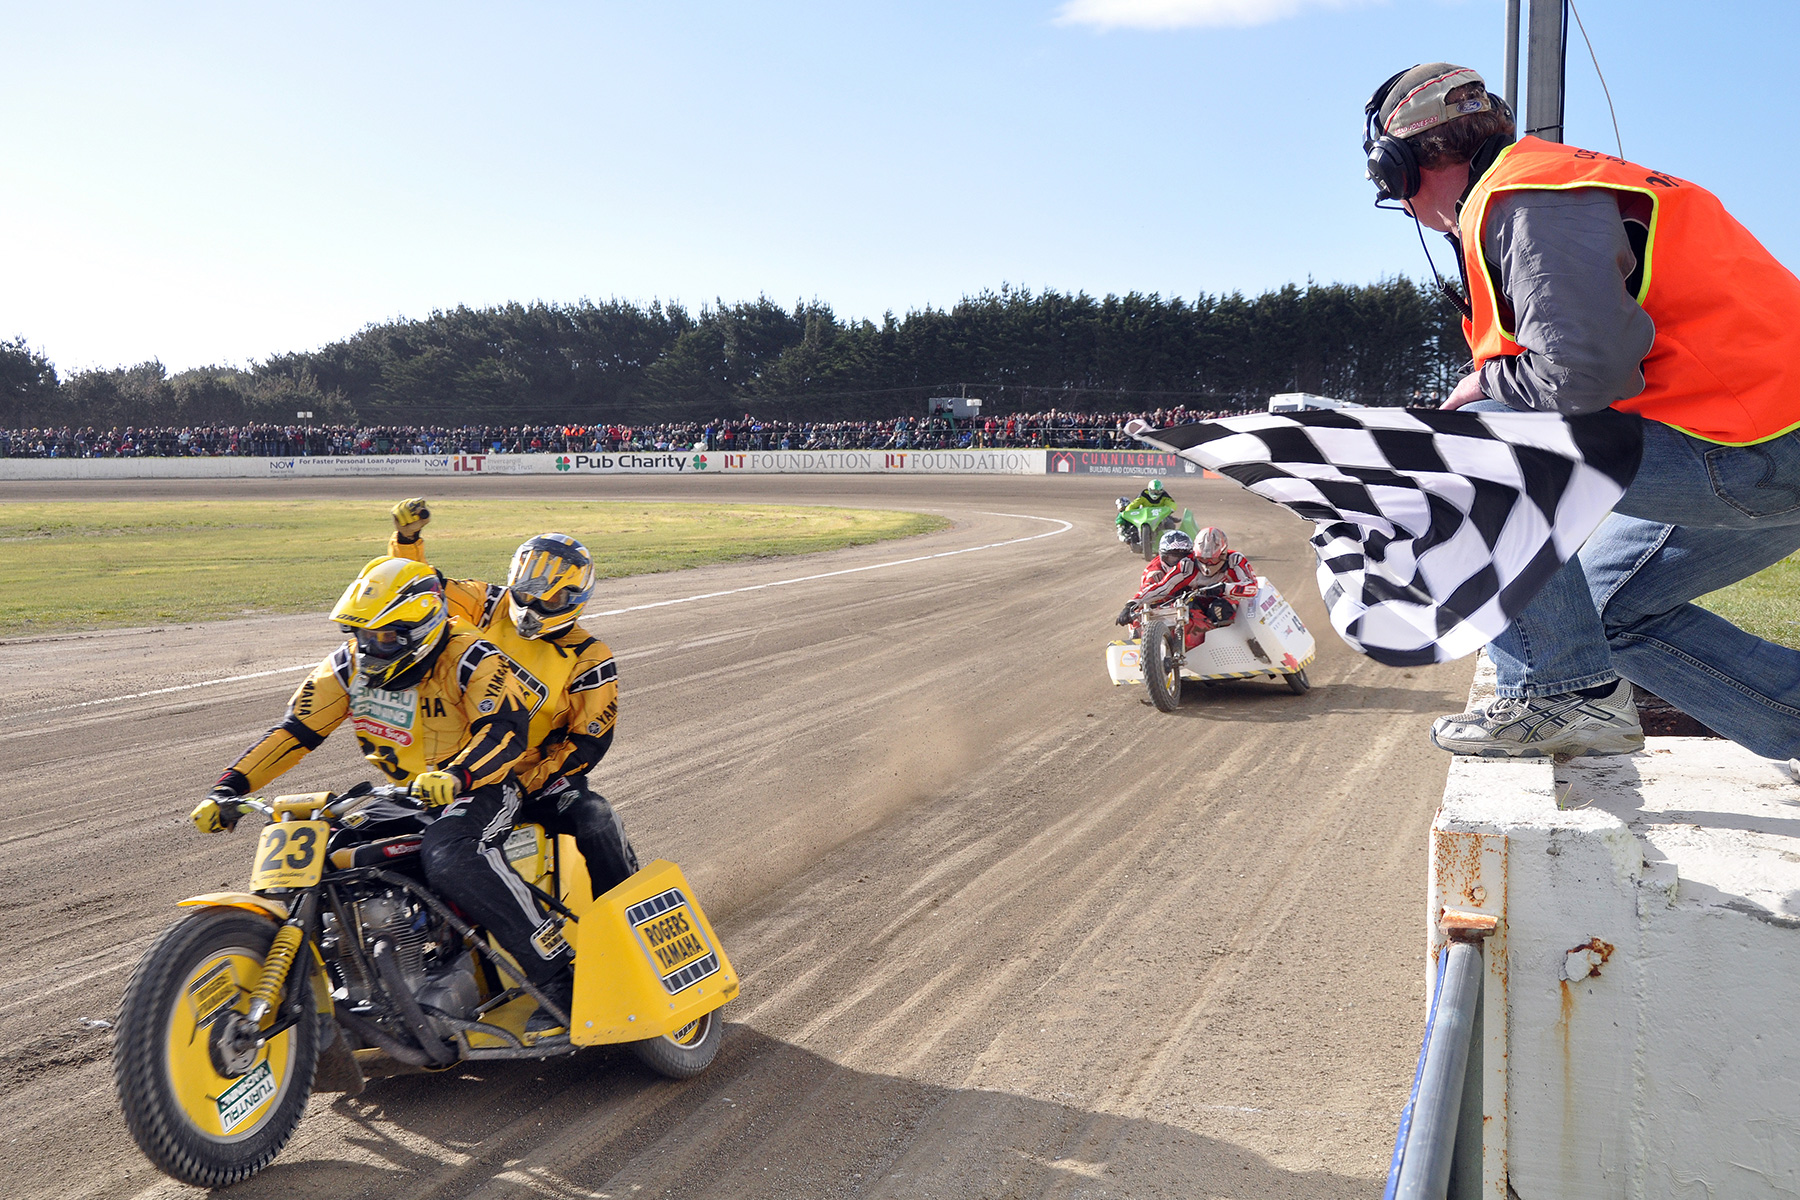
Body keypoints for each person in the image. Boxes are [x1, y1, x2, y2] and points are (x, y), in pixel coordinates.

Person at [1363, 63, 1800, 760]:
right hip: (1755, 437)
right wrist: (1499, 381)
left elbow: (1576, 379)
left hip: (1756, 452)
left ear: (1402, 168)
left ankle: (1558, 695)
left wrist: (1492, 383)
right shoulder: (1558, 182)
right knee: (1603, 612)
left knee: (1453, 447)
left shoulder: (1526, 199)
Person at [189, 556, 579, 1022]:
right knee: (326, 849)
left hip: (485, 787)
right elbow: (295, 731)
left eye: (384, 636)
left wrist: (458, 775)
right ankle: (351, 982)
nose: (369, 647)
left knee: (450, 852)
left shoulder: (472, 656)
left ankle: (557, 974)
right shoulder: (349, 664)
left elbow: (505, 732)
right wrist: (229, 787)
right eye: (362, 635)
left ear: (424, 628)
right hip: (407, 793)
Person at [387, 499, 638, 899]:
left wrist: (529, 778)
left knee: (596, 817)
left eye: (551, 601)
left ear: (576, 599)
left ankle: (628, 907)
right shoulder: (487, 604)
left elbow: (589, 742)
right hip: (457, 769)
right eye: (526, 591)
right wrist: (407, 540)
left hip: (537, 779)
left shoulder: (590, 655)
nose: (534, 605)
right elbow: (419, 592)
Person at [1116, 528, 1259, 648]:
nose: (1208, 564)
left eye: (1213, 559)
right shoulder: (1186, 565)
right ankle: (1182, 646)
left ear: (1223, 554)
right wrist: (1132, 604)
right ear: (1195, 554)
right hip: (1194, 600)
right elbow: (1162, 587)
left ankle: (1233, 645)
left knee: (1220, 609)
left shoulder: (1236, 560)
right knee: (1185, 610)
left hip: (1228, 599)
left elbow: (1253, 587)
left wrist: (1225, 589)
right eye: (1202, 559)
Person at [1115, 478, 1174, 545]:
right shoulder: (1143, 495)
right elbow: (1135, 504)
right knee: (1131, 527)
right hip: (1144, 516)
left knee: (1170, 523)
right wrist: (1128, 510)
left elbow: (1171, 503)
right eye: (1153, 491)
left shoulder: (1165, 496)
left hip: (1159, 514)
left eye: (1157, 492)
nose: (1155, 493)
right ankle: (1133, 539)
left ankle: (1169, 542)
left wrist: (1171, 509)